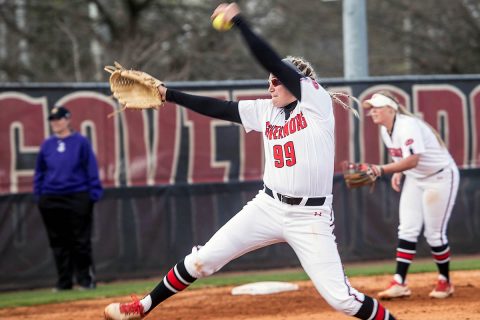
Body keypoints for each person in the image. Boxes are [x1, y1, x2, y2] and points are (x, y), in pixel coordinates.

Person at [104, 3, 396, 320]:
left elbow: (271, 60)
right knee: (203, 260)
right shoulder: (266, 111)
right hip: (267, 206)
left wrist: (240, 22)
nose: (270, 85)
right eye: (268, 81)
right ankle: (142, 307)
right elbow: (220, 109)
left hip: (309, 215)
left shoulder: (315, 102)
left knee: (343, 300)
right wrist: (167, 93)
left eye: (276, 81)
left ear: (296, 81)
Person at [361, 91, 459, 299]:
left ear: (391, 109)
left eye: (377, 107)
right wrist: (398, 170)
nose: (373, 112)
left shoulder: (407, 125)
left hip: (439, 177)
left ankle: (445, 281)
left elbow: (413, 159)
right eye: (371, 108)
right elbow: (406, 159)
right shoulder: (386, 131)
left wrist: (382, 169)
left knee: (434, 234)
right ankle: (399, 282)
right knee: (407, 228)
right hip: (416, 178)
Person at [34, 106, 103, 291]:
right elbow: (40, 171)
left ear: (67, 119)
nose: (55, 123)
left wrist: (93, 194)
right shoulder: (47, 144)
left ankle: (86, 280)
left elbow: (91, 168)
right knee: (58, 243)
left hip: (77, 196)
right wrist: (40, 196)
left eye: (58, 119)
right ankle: (64, 283)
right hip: (51, 198)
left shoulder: (81, 142)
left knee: (80, 241)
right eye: (52, 119)